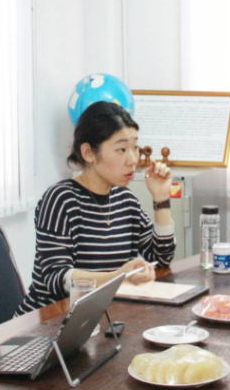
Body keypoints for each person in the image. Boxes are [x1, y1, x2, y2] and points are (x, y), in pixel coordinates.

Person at [19, 102, 176, 313]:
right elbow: (57, 278)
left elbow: (161, 259)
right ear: (88, 153)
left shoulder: (125, 199)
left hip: (98, 315)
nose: (133, 160)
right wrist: (118, 278)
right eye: (121, 149)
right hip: (49, 319)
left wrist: (161, 198)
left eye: (135, 148)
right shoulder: (61, 199)